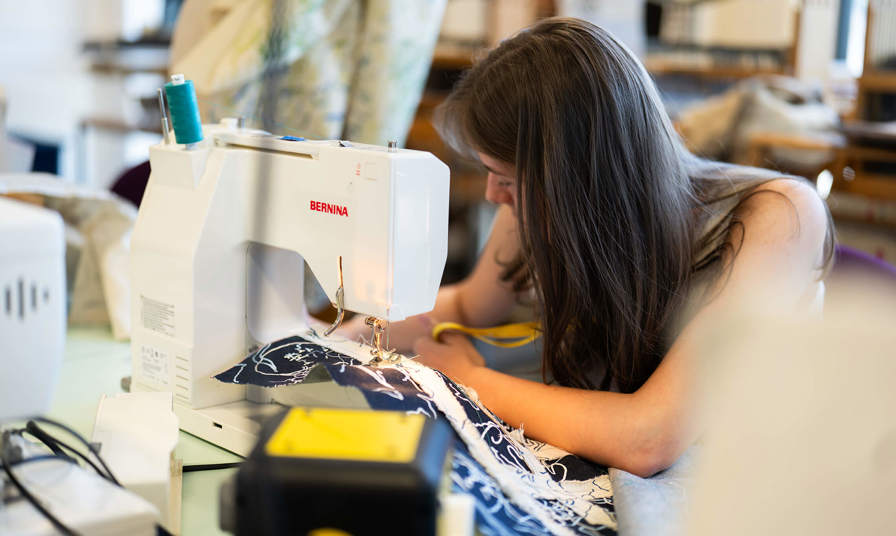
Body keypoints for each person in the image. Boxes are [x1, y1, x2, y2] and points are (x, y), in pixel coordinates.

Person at [339, 17, 835, 477]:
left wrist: (469, 378)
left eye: (506, 179)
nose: (494, 196)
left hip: (753, 476)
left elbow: (649, 437)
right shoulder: (537, 202)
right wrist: (349, 333)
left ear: (577, 181)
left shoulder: (781, 215)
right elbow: (471, 304)